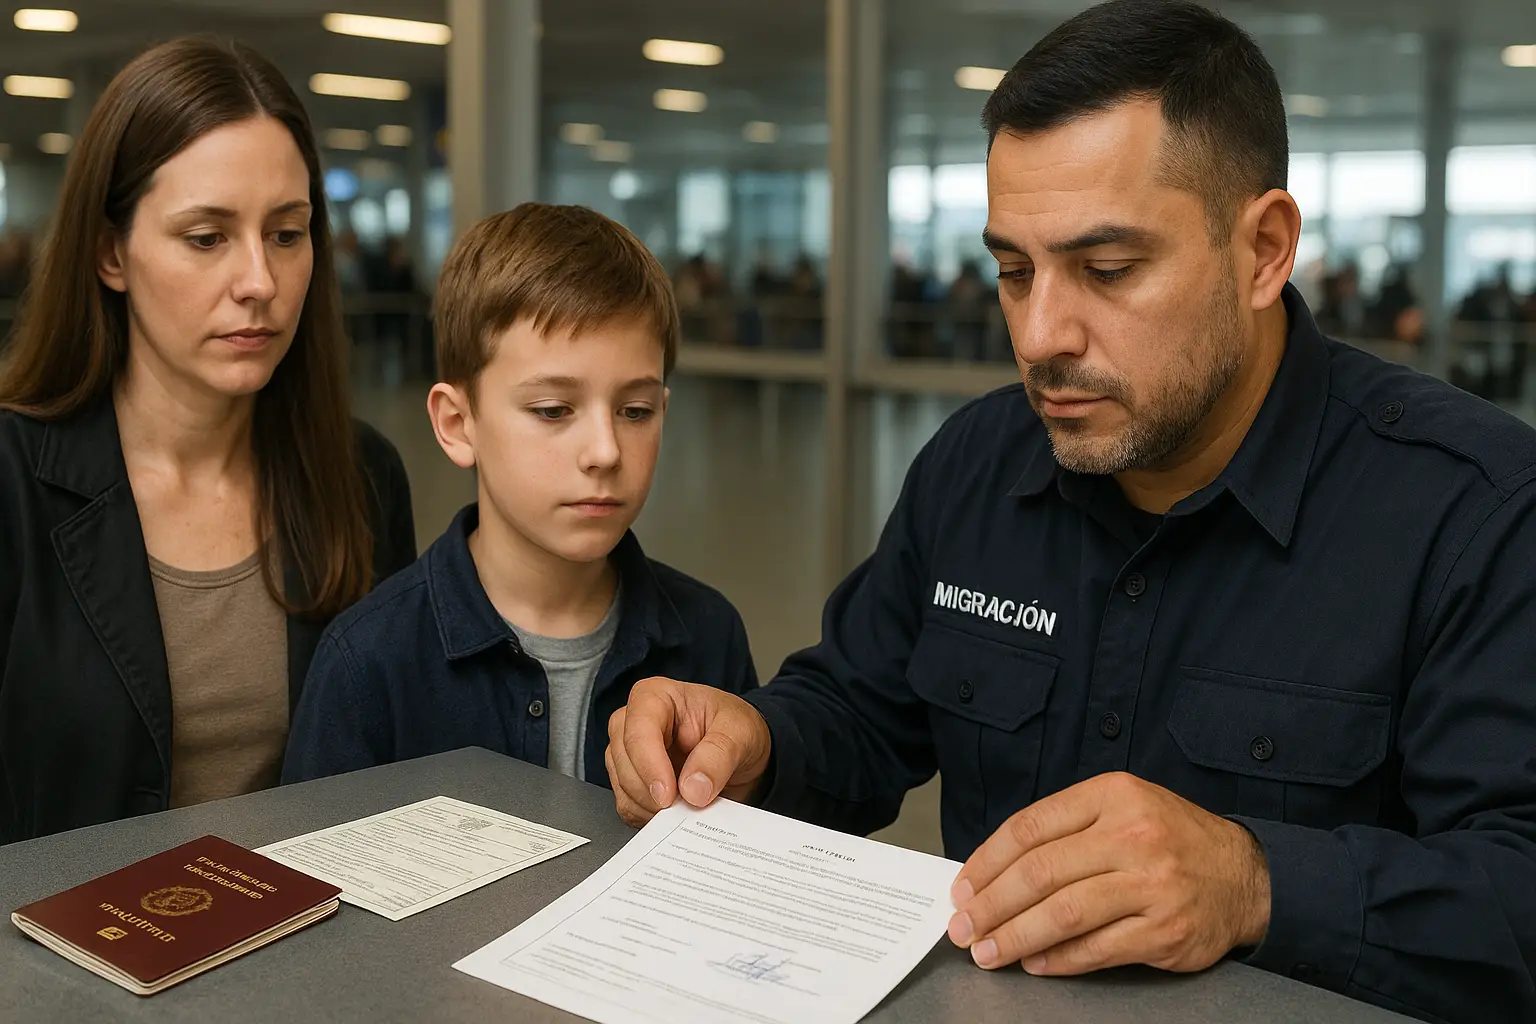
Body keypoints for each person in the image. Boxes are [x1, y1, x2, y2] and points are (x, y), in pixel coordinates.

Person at [602, 3, 1536, 1021]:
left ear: (1264, 251)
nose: (1040, 334)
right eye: (1014, 272)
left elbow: (1517, 887)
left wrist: (1254, 882)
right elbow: (862, 710)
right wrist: (757, 741)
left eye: (1107, 270)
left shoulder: (1473, 515)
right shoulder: (977, 463)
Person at [0, 38, 417, 845]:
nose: (259, 281)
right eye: (206, 237)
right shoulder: (13, 481)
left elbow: (402, 759)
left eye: (287, 234)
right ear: (110, 252)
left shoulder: (362, 475)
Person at [282, 203, 757, 785]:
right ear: (458, 424)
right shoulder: (369, 661)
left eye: (635, 411)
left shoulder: (710, 637)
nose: (605, 451)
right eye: (553, 410)